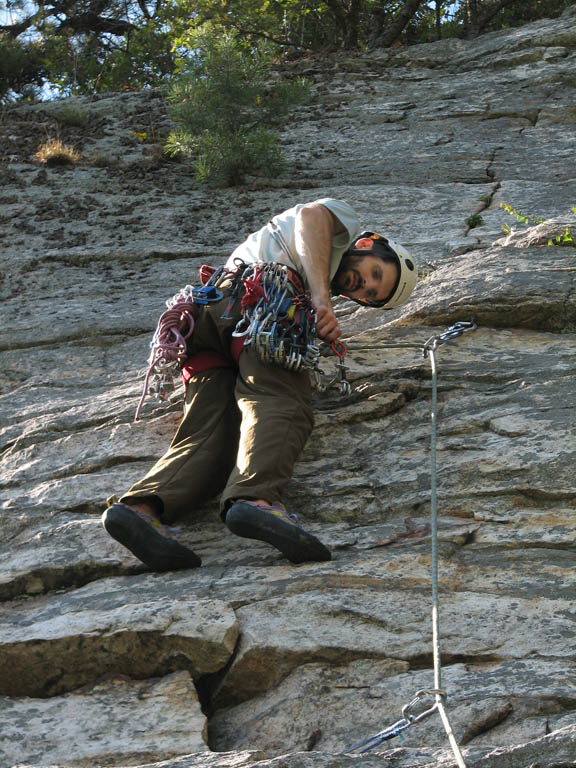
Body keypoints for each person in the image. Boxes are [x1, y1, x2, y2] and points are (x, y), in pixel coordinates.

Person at [102, 198, 417, 570]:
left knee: (214, 433)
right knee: (283, 401)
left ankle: (140, 509)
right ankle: (257, 499)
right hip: (263, 301)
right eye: (375, 274)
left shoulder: (317, 268)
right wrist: (318, 299)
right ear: (367, 245)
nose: (364, 287)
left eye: (370, 297)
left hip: (208, 320)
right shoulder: (342, 221)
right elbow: (311, 216)